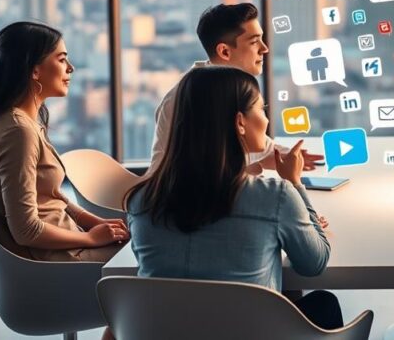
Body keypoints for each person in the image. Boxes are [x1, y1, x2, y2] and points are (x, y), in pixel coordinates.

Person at [125, 67, 343, 329]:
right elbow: (314, 264)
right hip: (250, 332)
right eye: (262, 109)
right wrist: (295, 183)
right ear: (240, 122)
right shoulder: (276, 197)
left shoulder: (141, 201)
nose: (266, 120)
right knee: (324, 304)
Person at [0, 22, 129, 262]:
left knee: (149, 242)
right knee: (155, 250)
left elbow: (49, 196)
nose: (71, 68)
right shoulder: (17, 132)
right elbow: (26, 230)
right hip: (60, 259)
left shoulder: (11, 122)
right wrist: (90, 238)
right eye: (61, 59)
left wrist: (95, 223)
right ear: (34, 71)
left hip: (65, 246)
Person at [149, 3, 320, 174]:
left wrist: (285, 156)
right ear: (224, 51)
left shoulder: (226, 88)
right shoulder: (194, 97)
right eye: (254, 42)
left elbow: (257, 150)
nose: (264, 48)